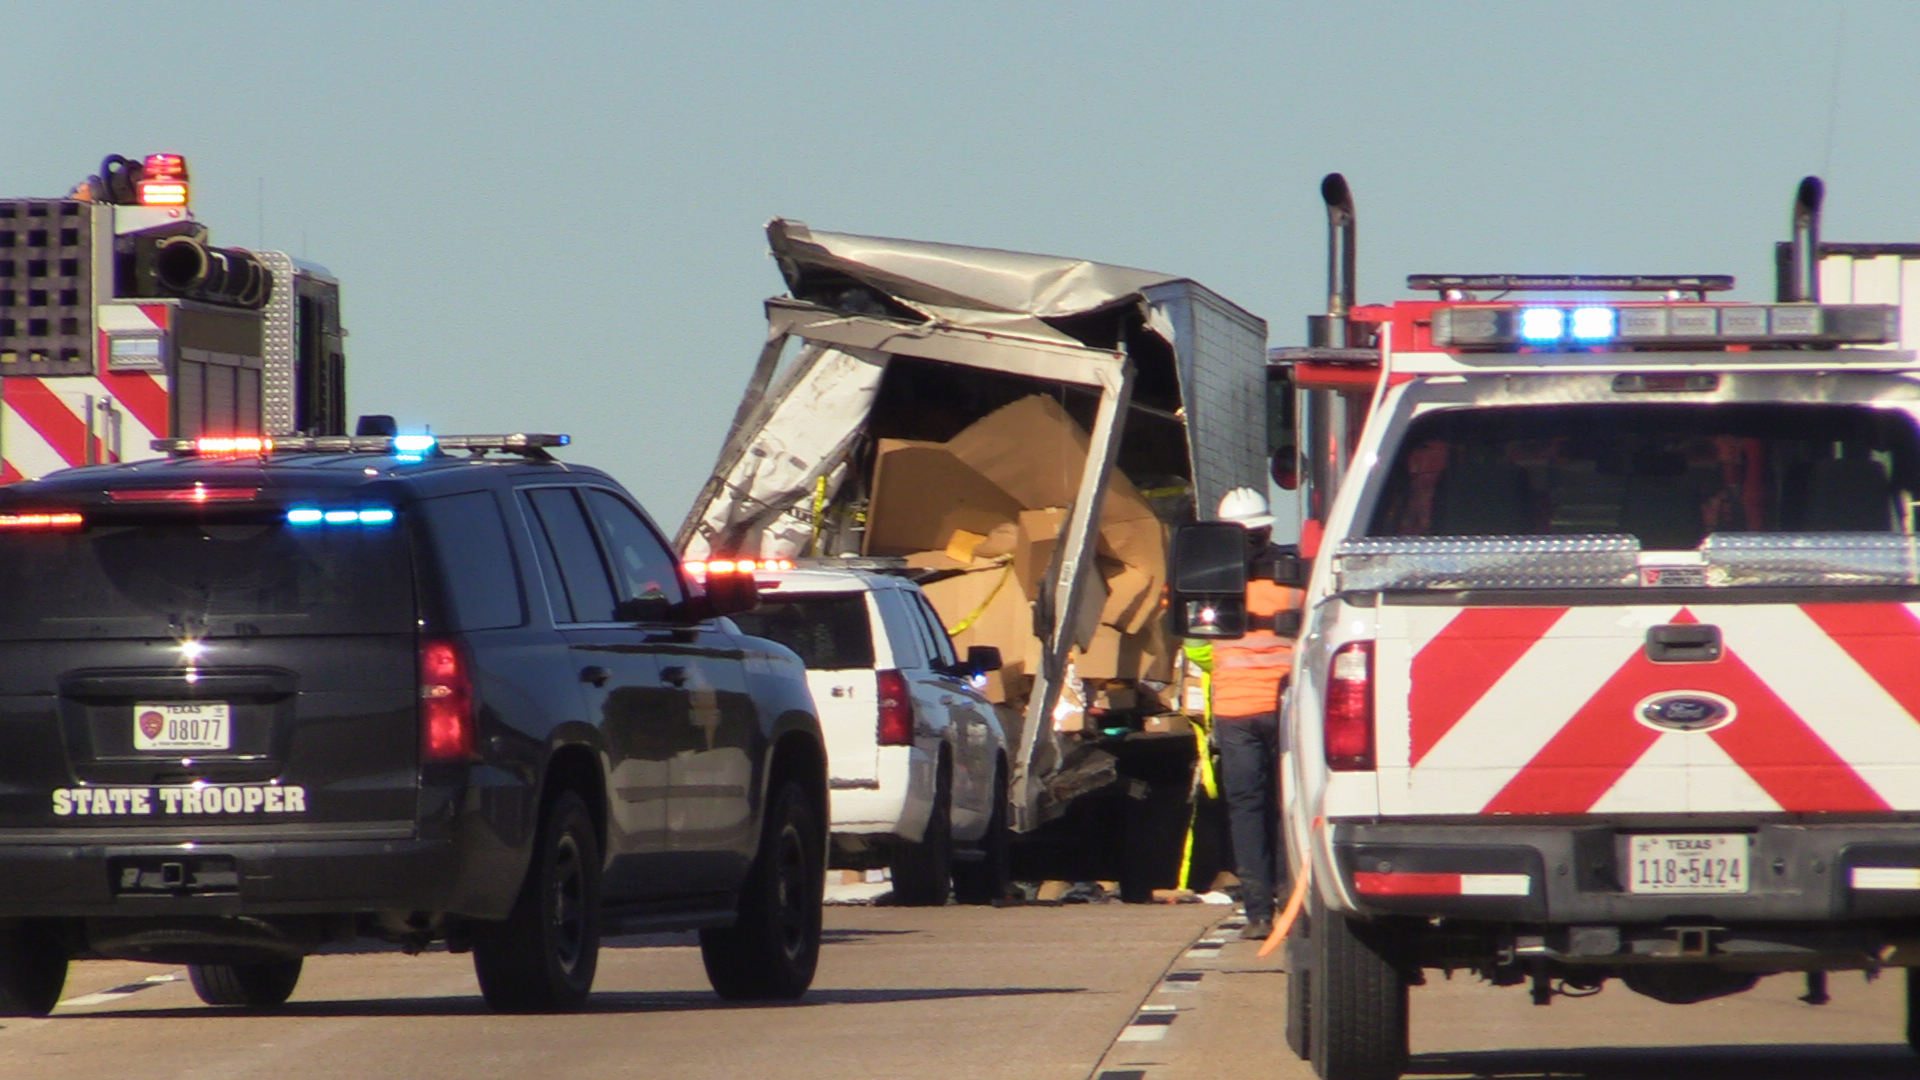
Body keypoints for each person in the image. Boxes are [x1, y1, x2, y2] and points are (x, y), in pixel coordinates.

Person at [1185, 487, 1303, 940]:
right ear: (1268, 528)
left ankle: (1258, 915)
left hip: (1236, 711)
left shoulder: (1212, 579)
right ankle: (1291, 898)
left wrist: (1231, 665)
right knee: (1287, 806)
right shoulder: (1294, 576)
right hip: (1287, 705)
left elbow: (1197, 647)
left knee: (1247, 808)